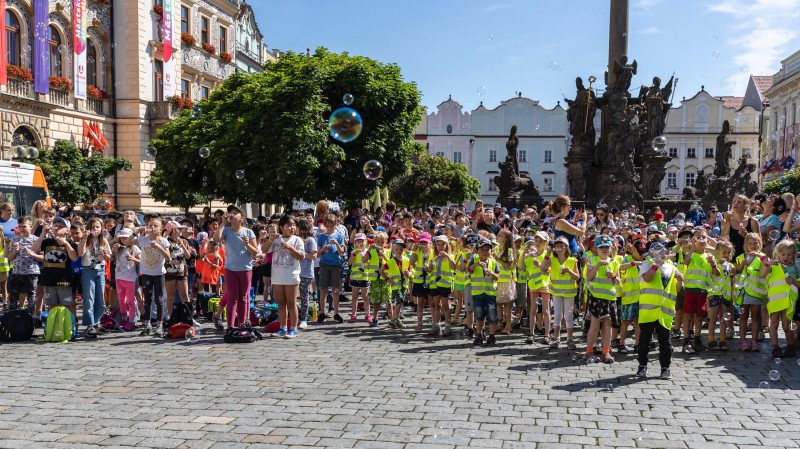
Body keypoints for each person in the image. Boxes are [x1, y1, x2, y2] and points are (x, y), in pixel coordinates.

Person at [636, 238, 681, 379]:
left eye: (664, 251)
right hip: (648, 310)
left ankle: (665, 368)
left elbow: (676, 289)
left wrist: (680, 280)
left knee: (665, 342)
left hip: (665, 311)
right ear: (652, 253)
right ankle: (642, 366)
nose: (662, 253)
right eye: (658, 251)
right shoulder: (646, 263)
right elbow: (648, 279)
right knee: (644, 340)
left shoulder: (672, 267)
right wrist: (655, 265)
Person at [213, 205, 258, 330]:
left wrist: (247, 244)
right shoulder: (227, 231)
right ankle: (231, 327)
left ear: (242, 218)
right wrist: (222, 223)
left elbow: (254, 253)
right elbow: (216, 239)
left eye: (235, 213)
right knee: (232, 297)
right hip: (230, 269)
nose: (231, 215)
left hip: (245, 269)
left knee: (243, 297)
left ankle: (242, 324)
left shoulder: (248, 232)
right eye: (230, 213)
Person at [125, 217, 170, 337]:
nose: (153, 227)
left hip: (159, 274)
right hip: (146, 274)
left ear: (160, 229)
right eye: (151, 225)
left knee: (159, 300)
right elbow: (127, 243)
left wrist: (158, 247)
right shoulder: (143, 240)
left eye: (156, 226)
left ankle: (159, 325)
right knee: (147, 300)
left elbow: (168, 257)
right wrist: (135, 232)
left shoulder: (163, 241)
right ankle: (147, 325)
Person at [680, 227, 718, 354]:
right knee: (687, 316)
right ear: (693, 240)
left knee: (699, 316)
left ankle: (697, 338)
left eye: (704, 237)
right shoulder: (690, 254)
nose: (701, 239)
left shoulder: (710, 256)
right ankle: (686, 340)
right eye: (698, 237)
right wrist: (692, 247)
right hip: (690, 290)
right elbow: (686, 262)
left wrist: (713, 264)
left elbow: (716, 273)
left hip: (703, 291)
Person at [31, 217, 79, 317]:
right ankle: (54, 326)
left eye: (61, 226)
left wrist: (66, 244)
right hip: (49, 280)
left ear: (67, 230)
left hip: (64, 280)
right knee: (51, 305)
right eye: (55, 225)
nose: (57, 227)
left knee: (66, 305)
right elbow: (34, 249)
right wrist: (43, 234)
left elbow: (74, 258)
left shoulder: (70, 243)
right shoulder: (47, 241)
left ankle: (69, 325)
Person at [584, 234, 621, 363]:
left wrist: (613, 277)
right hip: (596, 297)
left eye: (606, 247)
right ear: (596, 249)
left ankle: (606, 351)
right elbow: (589, 277)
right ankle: (589, 351)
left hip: (610, 298)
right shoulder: (591, 259)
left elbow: (618, 281)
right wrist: (598, 265)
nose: (604, 249)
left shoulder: (615, 262)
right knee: (594, 326)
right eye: (601, 247)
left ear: (611, 248)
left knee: (607, 326)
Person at [267, 215, 305, 338]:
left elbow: (301, 256)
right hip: (277, 276)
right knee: (281, 303)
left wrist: (290, 247)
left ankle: (293, 328)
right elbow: (263, 249)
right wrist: (270, 239)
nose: (292, 227)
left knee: (291, 303)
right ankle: (282, 328)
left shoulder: (297, 240)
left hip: (291, 276)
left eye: (293, 225)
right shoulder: (276, 239)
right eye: (288, 225)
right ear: (282, 227)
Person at [762, 240, 798, 357]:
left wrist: (793, 281)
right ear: (778, 254)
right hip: (775, 300)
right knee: (774, 324)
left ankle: (790, 346)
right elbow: (762, 275)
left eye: (789, 254)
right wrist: (768, 264)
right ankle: (775, 347)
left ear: (793, 254)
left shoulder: (796, 268)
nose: (786, 257)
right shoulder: (774, 266)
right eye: (783, 254)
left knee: (786, 326)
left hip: (788, 300)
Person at [78, 217, 112, 338]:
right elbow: (80, 253)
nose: (95, 230)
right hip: (88, 271)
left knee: (101, 301)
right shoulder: (85, 240)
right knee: (89, 299)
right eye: (92, 227)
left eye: (97, 227)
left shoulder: (104, 241)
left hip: (100, 271)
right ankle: (90, 325)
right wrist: (85, 238)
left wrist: (105, 254)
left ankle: (96, 322)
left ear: (101, 228)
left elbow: (109, 257)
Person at [735, 232, 767, 352]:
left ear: (760, 244)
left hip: (755, 292)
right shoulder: (741, 257)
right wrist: (741, 266)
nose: (753, 246)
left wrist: (759, 256)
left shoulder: (763, 256)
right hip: (743, 291)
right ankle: (742, 341)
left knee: (755, 317)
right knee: (743, 316)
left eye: (756, 243)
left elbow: (768, 264)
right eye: (750, 244)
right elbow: (736, 272)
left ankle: (754, 341)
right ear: (745, 245)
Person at [548, 236, 579, 349]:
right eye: (557, 246)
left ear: (566, 248)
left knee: (568, 316)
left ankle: (570, 339)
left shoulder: (572, 260)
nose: (559, 248)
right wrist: (548, 254)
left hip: (569, 293)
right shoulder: (552, 259)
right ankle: (556, 339)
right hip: (556, 292)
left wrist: (569, 271)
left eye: (561, 246)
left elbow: (577, 277)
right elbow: (542, 268)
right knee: (557, 315)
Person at [468, 238, 500, 346]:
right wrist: (476, 265)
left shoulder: (493, 262)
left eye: (488, 250)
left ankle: (492, 336)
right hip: (477, 293)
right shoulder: (474, 259)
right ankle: (479, 334)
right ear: (477, 251)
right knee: (479, 314)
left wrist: (491, 273)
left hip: (490, 293)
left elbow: (497, 277)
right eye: (483, 250)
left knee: (491, 315)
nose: (485, 252)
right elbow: (468, 270)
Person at [7, 216, 41, 315]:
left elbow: (43, 257)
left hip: (31, 272)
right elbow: (10, 258)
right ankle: (11, 319)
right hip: (17, 272)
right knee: (13, 296)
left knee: (31, 297)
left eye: (24, 226)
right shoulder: (15, 240)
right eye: (20, 226)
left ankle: (31, 319)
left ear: (31, 226)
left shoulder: (36, 240)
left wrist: (32, 254)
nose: (21, 228)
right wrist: (15, 251)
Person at [317, 214, 345, 323]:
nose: (329, 228)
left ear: (335, 226)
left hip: (335, 265)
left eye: (331, 226)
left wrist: (337, 243)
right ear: (325, 226)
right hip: (324, 264)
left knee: (335, 290)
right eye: (327, 226)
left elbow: (341, 252)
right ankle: (322, 312)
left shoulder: (339, 236)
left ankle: (336, 312)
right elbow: (317, 254)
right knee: (323, 289)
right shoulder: (321, 236)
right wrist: (323, 248)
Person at [707, 241, 734, 351]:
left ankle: (722, 340)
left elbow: (732, 278)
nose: (726, 255)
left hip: (725, 294)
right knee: (713, 319)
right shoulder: (713, 263)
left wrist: (734, 275)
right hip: (714, 293)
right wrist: (715, 263)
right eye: (724, 252)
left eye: (728, 252)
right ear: (717, 252)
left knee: (723, 319)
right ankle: (711, 340)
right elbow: (716, 273)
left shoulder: (730, 265)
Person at [113, 228, 140, 326]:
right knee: (121, 300)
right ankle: (124, 317)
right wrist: (113, 249)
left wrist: (133, 258)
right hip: (119, 278)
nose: (124, 240)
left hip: (130, 279)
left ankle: (131, 320)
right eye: (122, 238)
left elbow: (141, 261)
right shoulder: (119, 248)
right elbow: (110, 257)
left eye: (126, 238)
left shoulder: (135, 248)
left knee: (130, 300)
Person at [430, 234, 456, 337]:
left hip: (445, 284)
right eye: (438, 244)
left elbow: (454, 267)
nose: (440, 247)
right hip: (435, 284)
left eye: (442, 244)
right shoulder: (433, 256)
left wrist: (448, 257)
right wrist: (429, 267)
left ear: (446, 245)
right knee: (436, 305)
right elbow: (430, 268)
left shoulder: (450, 256)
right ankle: (437, 326)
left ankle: (448, 326)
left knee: (445, 305)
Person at [409, 232, 433, 332]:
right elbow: (411, 262)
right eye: (421, 242)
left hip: (430, 279)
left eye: (425, 243)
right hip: (419, 280)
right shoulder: (418, 252)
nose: (423, 245)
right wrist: (414, 251)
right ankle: (419, 323)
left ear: (429, 243)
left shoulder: (432, 252)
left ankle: (434, 323)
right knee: (420, 303)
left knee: (432, 302)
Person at [296, 217, 317, 329]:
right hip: (294, 272)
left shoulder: (310, 240)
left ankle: (303, 319)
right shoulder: (294, 239)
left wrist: (300, 254)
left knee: (304, 296)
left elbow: (314, 255)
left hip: (305, 272)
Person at [347, 233, 371, 323]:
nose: (360, 243)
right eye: (358, 241)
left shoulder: (368, 251)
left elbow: (369, 262)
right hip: (355, 277)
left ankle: (368, 314)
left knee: (365, 296)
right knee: (354, 297)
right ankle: (353, 314)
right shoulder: (353, 251)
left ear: (366, 242)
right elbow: (349, 263)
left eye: (362, 241)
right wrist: (354, 254)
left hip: (365, 277)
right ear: (355, 243)